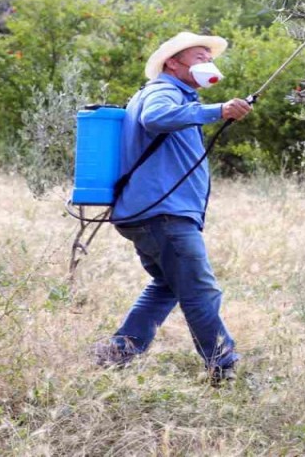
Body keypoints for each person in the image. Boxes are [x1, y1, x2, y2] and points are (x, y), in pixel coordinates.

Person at [94, 31, 253, 383]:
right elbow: (155, 118)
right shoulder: (163, 92)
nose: (207, 64)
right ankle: (223, 369)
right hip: (163, 215)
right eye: (199, 57)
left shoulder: (180, 97)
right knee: (200, 290)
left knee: (168, 285)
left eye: (208, 58)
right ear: (173, 62)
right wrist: (218, 110)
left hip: (151, 213)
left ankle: (116, 353)